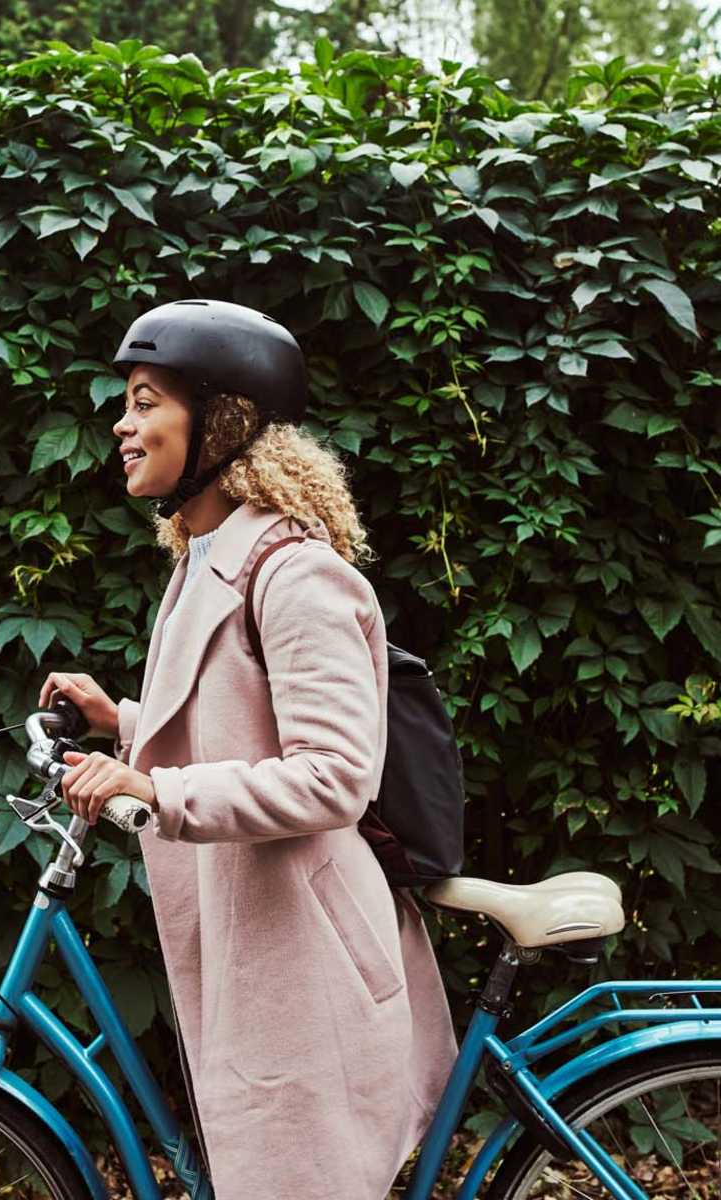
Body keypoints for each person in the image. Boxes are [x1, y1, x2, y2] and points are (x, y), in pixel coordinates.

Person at [37, 299, 456, 1200]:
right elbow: (241, 719)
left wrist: (156, 789)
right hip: (258, 934)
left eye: (146, 400)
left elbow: (334, 775)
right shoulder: (205, 558)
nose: (123, 423)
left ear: (222, 421)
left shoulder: (296, 572)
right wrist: (125, 720)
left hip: (304, 959)